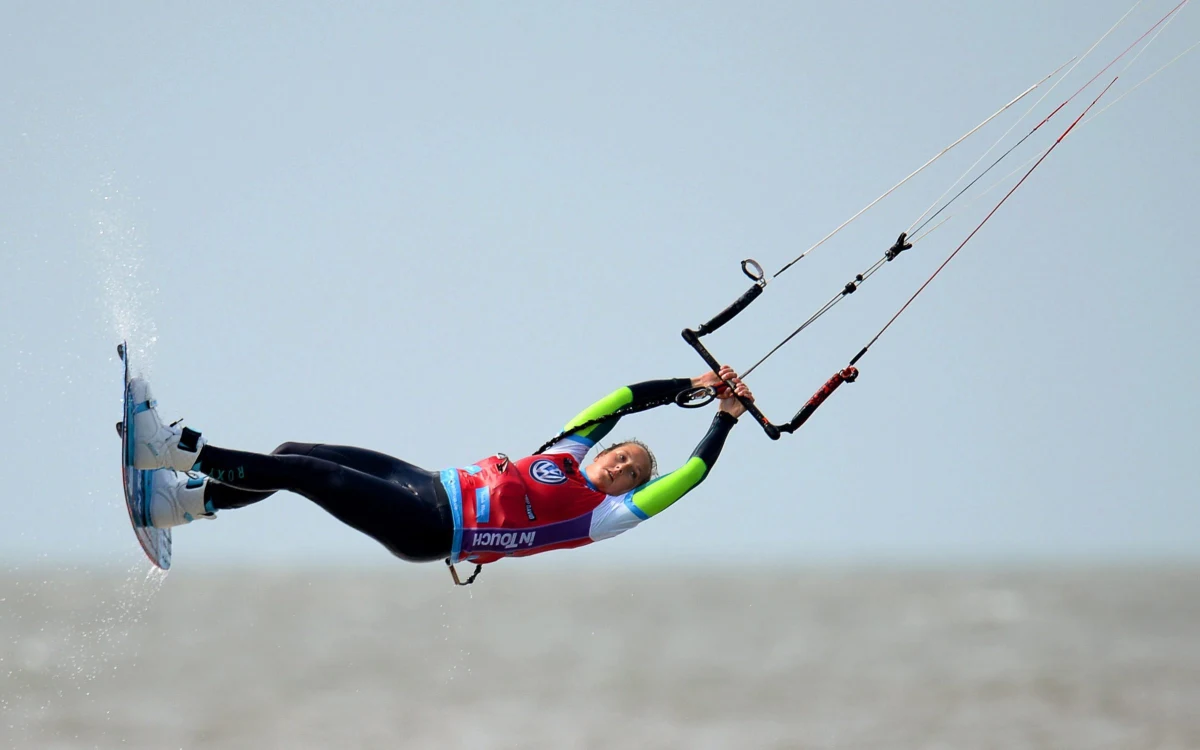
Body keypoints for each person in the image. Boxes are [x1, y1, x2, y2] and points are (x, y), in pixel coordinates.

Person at [128, 365, 753, 568]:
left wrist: (723, 417)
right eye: (622, 455)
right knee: (295, 455)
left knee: (304, 477)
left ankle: (176, 449)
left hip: (432, 530)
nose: (621, 467)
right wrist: (688, 386)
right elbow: (618, 402)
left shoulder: (606, 518)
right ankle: (182, 503)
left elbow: (691, 475)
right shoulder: (565, 453)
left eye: (633, 473)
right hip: (427, 485)